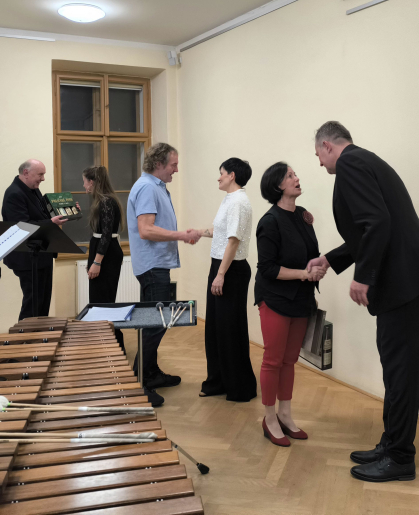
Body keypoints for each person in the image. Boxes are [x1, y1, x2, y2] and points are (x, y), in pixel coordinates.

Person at [307, 121, 419, 482]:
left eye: (318, 155)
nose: (319, 163)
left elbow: (377, 222)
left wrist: (364, 275)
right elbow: (369, 230)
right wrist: (331, 260)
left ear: (327, 146)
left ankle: (400, 457)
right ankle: (391, 444)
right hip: (405, 282)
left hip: (402, 282)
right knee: (395, 368)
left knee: (400, 370)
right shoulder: (364, 160)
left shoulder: (351, 164)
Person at [255, 162, 326, 447]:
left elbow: (311, 254)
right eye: (290, 176)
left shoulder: (302, 215)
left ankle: (285, 414)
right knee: (273, 360)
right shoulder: (269, 221)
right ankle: (269, 417)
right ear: (277, 186)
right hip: (275, 298)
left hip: (301, 299)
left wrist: (317, 268)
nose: (297, 178)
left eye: (295, 174)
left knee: (290, 360)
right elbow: (267, 268)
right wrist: (303, 274)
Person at [127, 143, 202, 407]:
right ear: (159, 164)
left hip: (156, 264)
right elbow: (146, 230)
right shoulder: (148, 188)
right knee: (155, 323)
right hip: (152, 266)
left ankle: (150, 373)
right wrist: (182, 235)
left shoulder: (155, 186)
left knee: (156, 320)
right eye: (173, 165)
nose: (176, 170)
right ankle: (139, 382)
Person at [193, 158, 257, 402]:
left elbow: (233, 241)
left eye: (221, 173)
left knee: (230, 330)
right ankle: (217, 381)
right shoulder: (229, 199)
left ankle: (239, 386)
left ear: (232, 175)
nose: (218, 177)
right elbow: (221, 232)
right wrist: (199, 233)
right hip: (220, 267)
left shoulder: (239, 202)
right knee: (216, 329)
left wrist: (221, 274)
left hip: (231, 271)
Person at [1, 159, 68, 320]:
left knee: (43, 302)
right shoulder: (14, 194)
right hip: (27, 258)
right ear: (26, 173)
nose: (43, 178)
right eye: (40, 174)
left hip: (42, 255)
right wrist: (50, 223)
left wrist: (67, 210)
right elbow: (21, 227)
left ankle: (39, 333)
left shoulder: (33, 189)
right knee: (32, 304)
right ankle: (25, 335)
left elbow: (43, 214)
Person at [82, 166, 126, 352]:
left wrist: (97, 262)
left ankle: (113, 343)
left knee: (103, 301)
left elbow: (106, 235)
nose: (83, 185)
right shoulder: (103, 201)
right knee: (99, 300)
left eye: (84, 181)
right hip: (101, 251)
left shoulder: (106, 202)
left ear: (92, 182)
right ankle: (107, 341)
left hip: (106, 255)